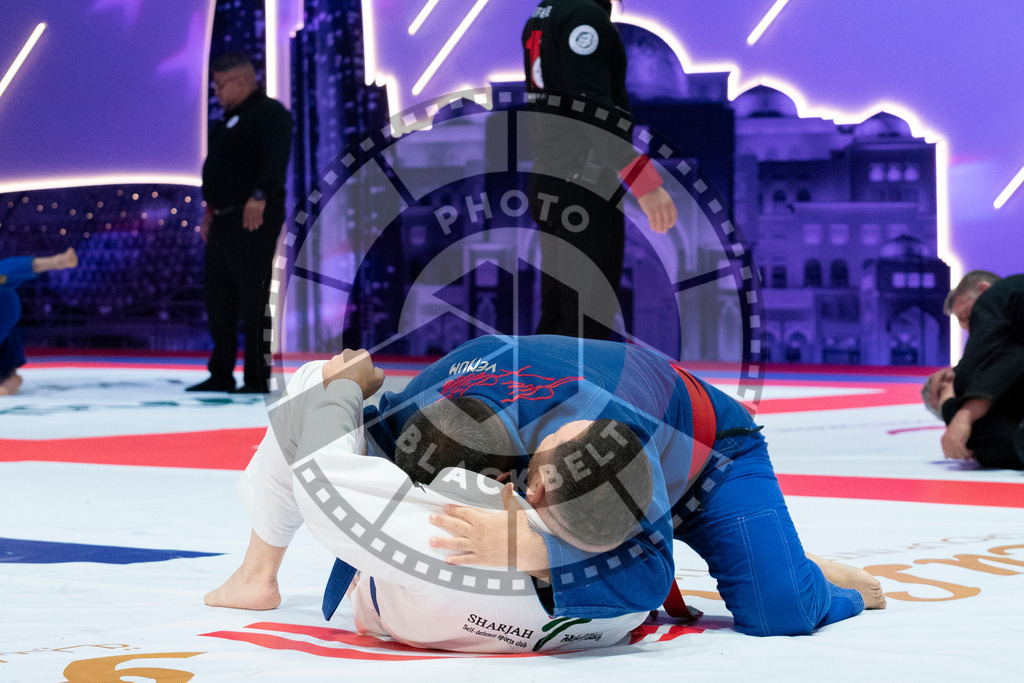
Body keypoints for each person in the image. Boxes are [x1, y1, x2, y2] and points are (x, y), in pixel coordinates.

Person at [363, 335, 885, 637]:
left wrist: (533, 548)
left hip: (711, 460)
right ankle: (771, 551)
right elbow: (349, 447)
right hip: (600, 439)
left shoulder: (606, 434)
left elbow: (648, 574)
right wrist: (337, 391)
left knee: (780, 609)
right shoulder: (427, 404)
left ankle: (813, 575)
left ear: (521, 483)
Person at [206, 350, 655, 654]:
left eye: (551, 437)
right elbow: (631, 538)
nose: (546, 431)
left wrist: (343, 388)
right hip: (495, 602)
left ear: (527, 488)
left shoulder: (452, 533)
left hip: (403, 596)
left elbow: (320, 474)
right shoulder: (627, 594)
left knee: (312, 386)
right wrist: (537, 550)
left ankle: (255, 576)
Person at [523, 0, 678, 340]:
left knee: (560, 316)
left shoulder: (544, 12)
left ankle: (544, 391)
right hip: (584, 186)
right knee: (586, 320)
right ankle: (573, 394)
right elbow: (592, 106)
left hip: (554, 179)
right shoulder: (583, 16)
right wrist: (645, 182)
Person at [188, 52, 293, 394]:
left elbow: (276, 159)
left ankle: (257, 375)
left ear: (241, 82)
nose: (216, 92)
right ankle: (220, 371)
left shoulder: (270, 114)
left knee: (253, 296)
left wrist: (261, 195)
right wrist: (209, 211)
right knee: (218, 298)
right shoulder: (227, 121)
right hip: (223, 218)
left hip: (253, 216)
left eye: (220, 85)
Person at [925, 270, 1024, 468]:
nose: (969, 328)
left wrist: (956, 408)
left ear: (983, 290)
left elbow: (985, 358)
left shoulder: (996, 297)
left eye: (968, 316)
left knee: (975, 434)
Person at [0, 248, 78, 396]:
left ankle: (56, 261)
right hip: (7, 306)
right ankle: (7, 378)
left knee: (3, 275)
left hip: (6, 299)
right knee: (11, 377)